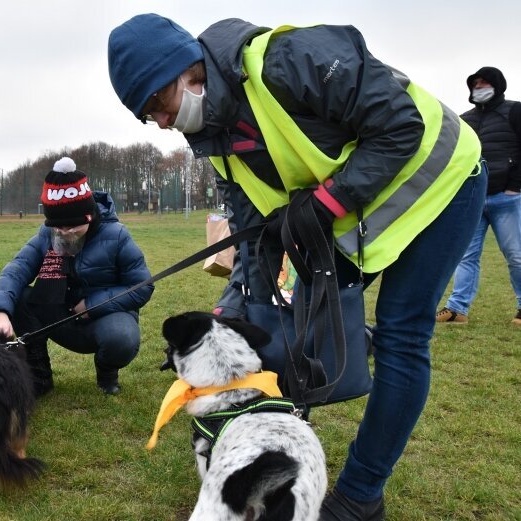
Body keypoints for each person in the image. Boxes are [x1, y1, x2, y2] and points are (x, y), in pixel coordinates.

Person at [108, 15, 486, 520]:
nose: (159, 122)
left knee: (403, 334)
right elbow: (255, 238)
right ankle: (275, 453)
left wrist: (326, 203)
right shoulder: (216, 139)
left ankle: (360, 495)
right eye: (145, 116)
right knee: (279, 313)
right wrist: (238, 303)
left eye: (158, 105)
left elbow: (399, 127)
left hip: (442, 183)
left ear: (186, 72)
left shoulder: (288, 59)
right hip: (361, 215)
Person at [0, 157, 154, 396]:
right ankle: (38, 375)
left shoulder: (117, 236)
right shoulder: (47, 234)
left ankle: (107, 371)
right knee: (21, 297)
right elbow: (17, 269)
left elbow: (142, 285)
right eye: (58, 227)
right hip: (58, 314)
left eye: (72, 226)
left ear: (88, 216)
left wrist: (92, 305)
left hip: (103, 316)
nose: (64, 233)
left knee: (122, 339)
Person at [436, 66, 521, 326]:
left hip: (507, 198)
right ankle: (457, 309)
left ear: (498, 84)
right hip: (473, 198)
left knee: (516, 254)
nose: (480, 87)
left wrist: (515, 186)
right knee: (466, 255)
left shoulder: (515, 111)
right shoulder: (464, 119)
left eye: (485, 82)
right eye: (476, 83)